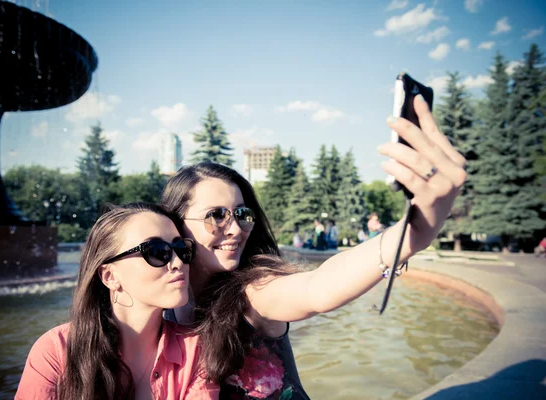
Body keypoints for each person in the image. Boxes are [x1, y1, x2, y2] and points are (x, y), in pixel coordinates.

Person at [161, 95, 467, 400]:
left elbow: (317, 288)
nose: (236, 228)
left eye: (242, 214)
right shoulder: (168, 299)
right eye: (216, 215)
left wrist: (414, 233)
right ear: (176, 224)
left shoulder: (253, 291)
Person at [16, 203, 219, 400]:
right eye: (157, 252)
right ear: (109, 276)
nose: (179, 262)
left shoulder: (197, 350)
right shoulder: (56, 352)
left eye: (180, 248)